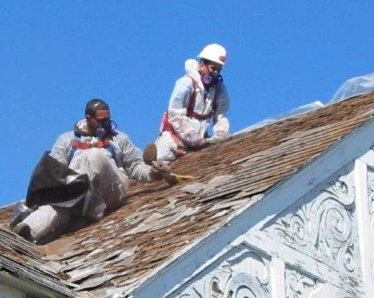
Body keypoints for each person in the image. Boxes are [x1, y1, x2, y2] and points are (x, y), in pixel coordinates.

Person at [13, 98, 162, 242]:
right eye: (100, 120)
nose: (105, 124)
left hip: (109, 191)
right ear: (88, 118)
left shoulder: (119, 138)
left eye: (108, 119)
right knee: (56, 209)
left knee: (95, 154)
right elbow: (53, 171)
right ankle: (28, 230)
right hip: (75, 197)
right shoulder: (66, 140)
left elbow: (135, 166)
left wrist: (152, 173)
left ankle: (90, 206)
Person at [155, 43, 230, 162]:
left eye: (218, 70)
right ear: (201, 64)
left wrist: (221, 132)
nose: (215, 74)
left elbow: (221, 115)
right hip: (174, 139)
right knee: (159, 168)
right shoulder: (186, 83)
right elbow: (174, 114)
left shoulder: (219, 89)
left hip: (200, 142)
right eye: (213, 68)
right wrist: (190, 134)